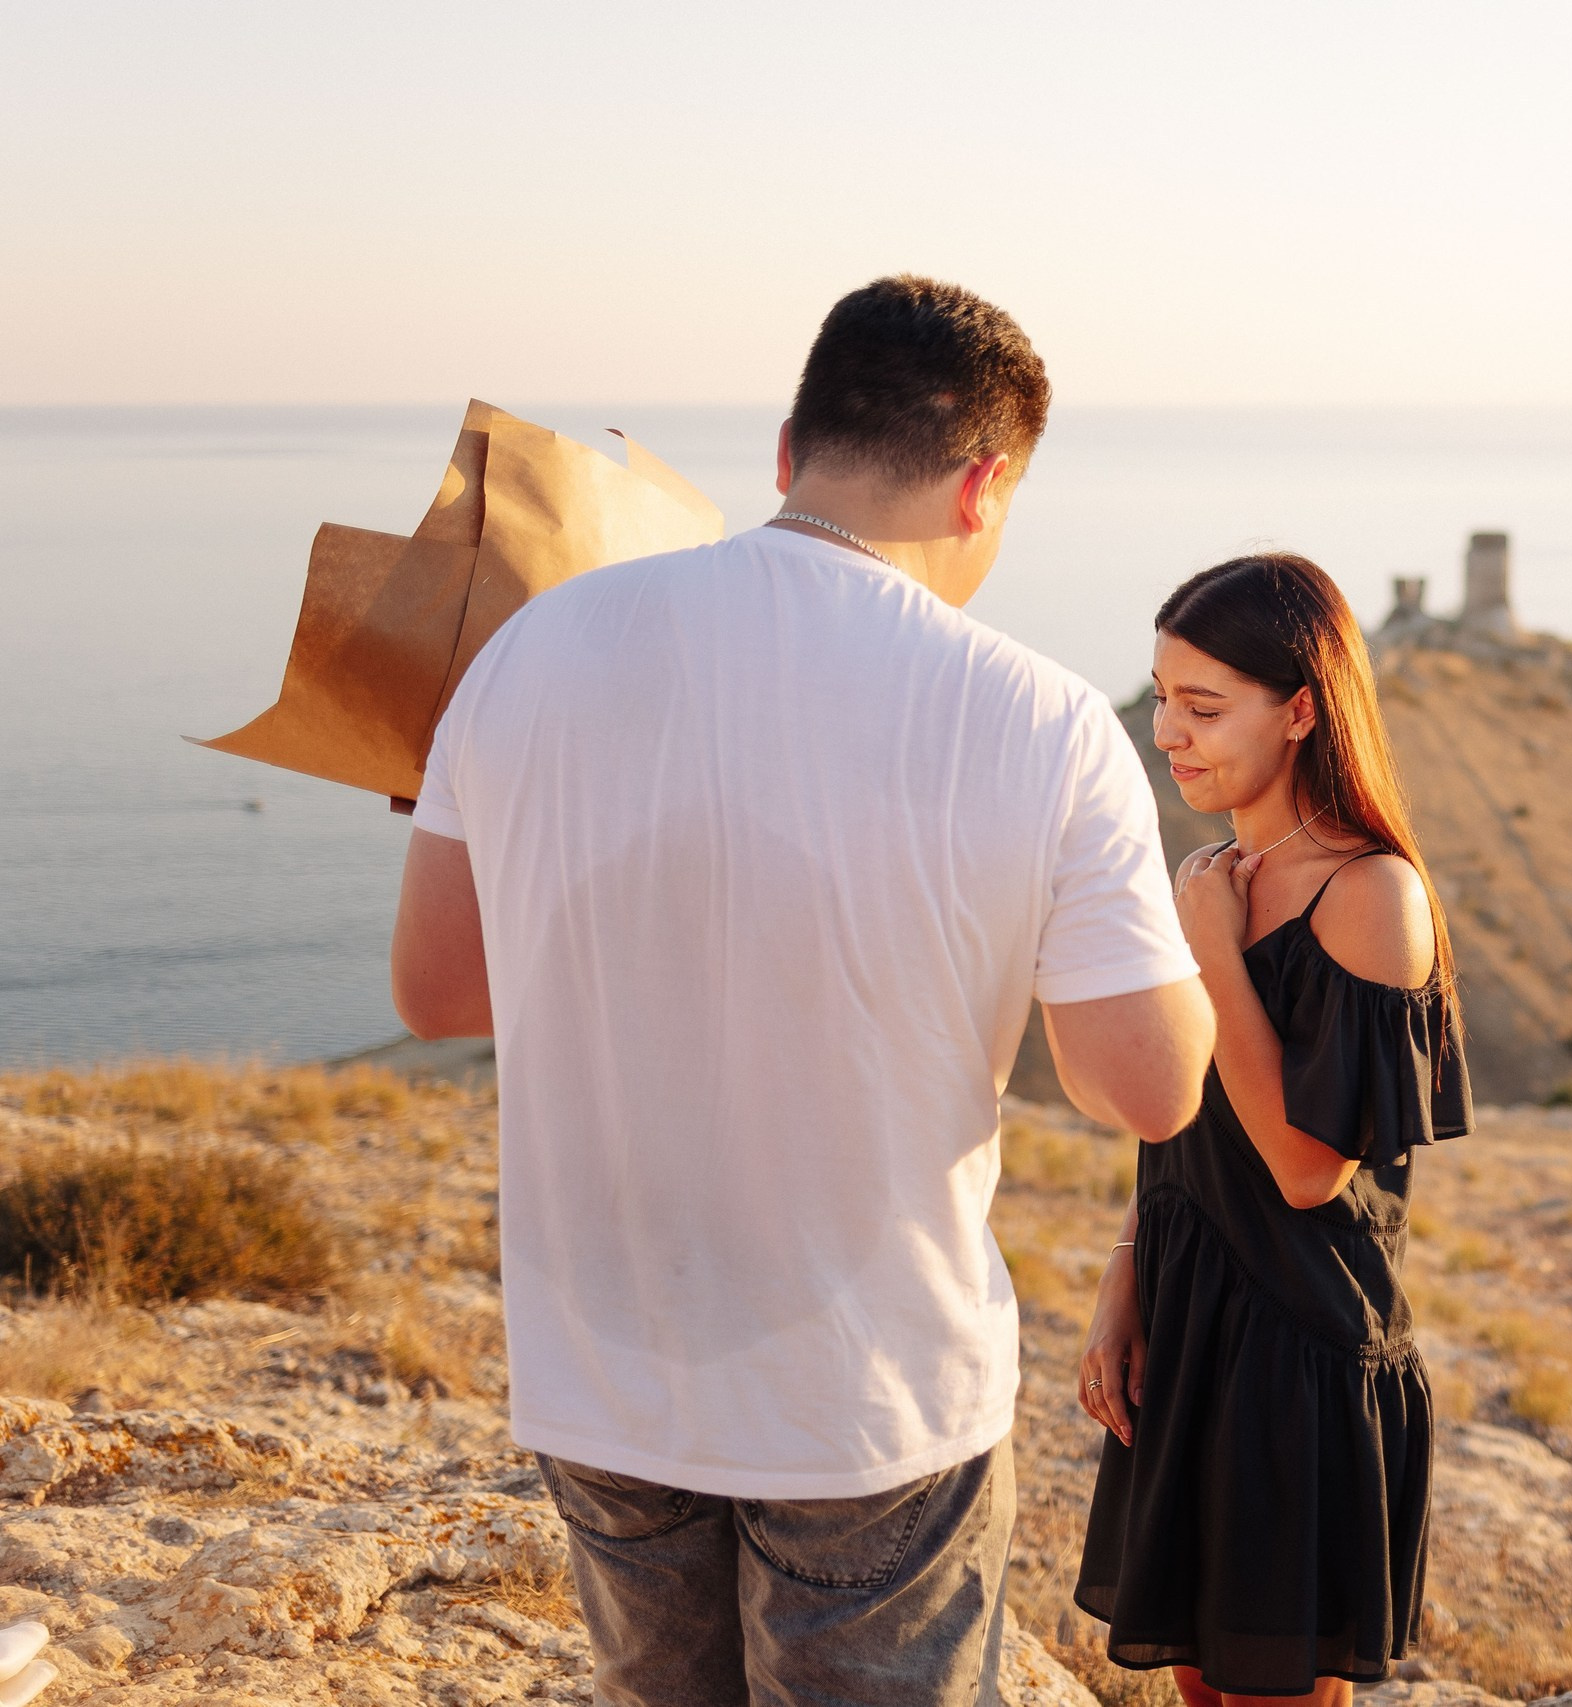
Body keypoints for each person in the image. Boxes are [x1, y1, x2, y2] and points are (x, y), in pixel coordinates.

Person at [389, 275, 1217, 1707]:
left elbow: (440, 989)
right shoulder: (1041, 716)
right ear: (985, 484)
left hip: (607, 1366)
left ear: (787, 449)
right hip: (868, 1390)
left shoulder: (528, 648)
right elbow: (1146, 1087)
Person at [1073, 554, 1473, 1706]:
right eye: (1163, 698)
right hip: (1192, 1330)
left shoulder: (1371, 894)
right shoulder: (1214, 874)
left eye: (1204, 708)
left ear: (1300, 710)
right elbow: (1180, 1122)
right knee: (1199, 1690)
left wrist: (1210, 949)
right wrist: (1126, 1275)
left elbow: (1305, 1169)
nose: (1167, 732)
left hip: (1297, 1357)